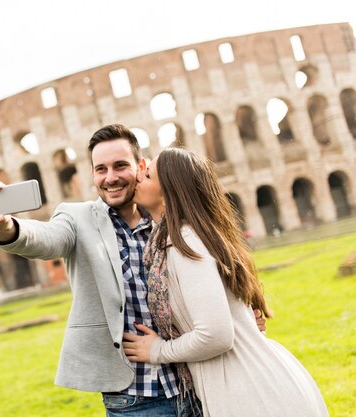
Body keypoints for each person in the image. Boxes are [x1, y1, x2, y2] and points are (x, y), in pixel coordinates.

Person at [0, 124, 266, 416]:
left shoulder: (167, 221)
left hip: (199, 386)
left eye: (120, 166)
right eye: (100, 169)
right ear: (91, 174)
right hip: (135, 400)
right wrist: (7, 229)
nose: (110, 177)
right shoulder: (77, 218)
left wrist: (241, 314)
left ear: (141, 167)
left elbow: (207, 278)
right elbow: (44, 239)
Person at [123, 148, 329, 417]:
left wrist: (159, 350)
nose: (138, 177)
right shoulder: (184, 238)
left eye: (147, 175)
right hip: (252, 383)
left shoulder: (185, 244)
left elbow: (216, 335)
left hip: (252, 394)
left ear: (168, 193)